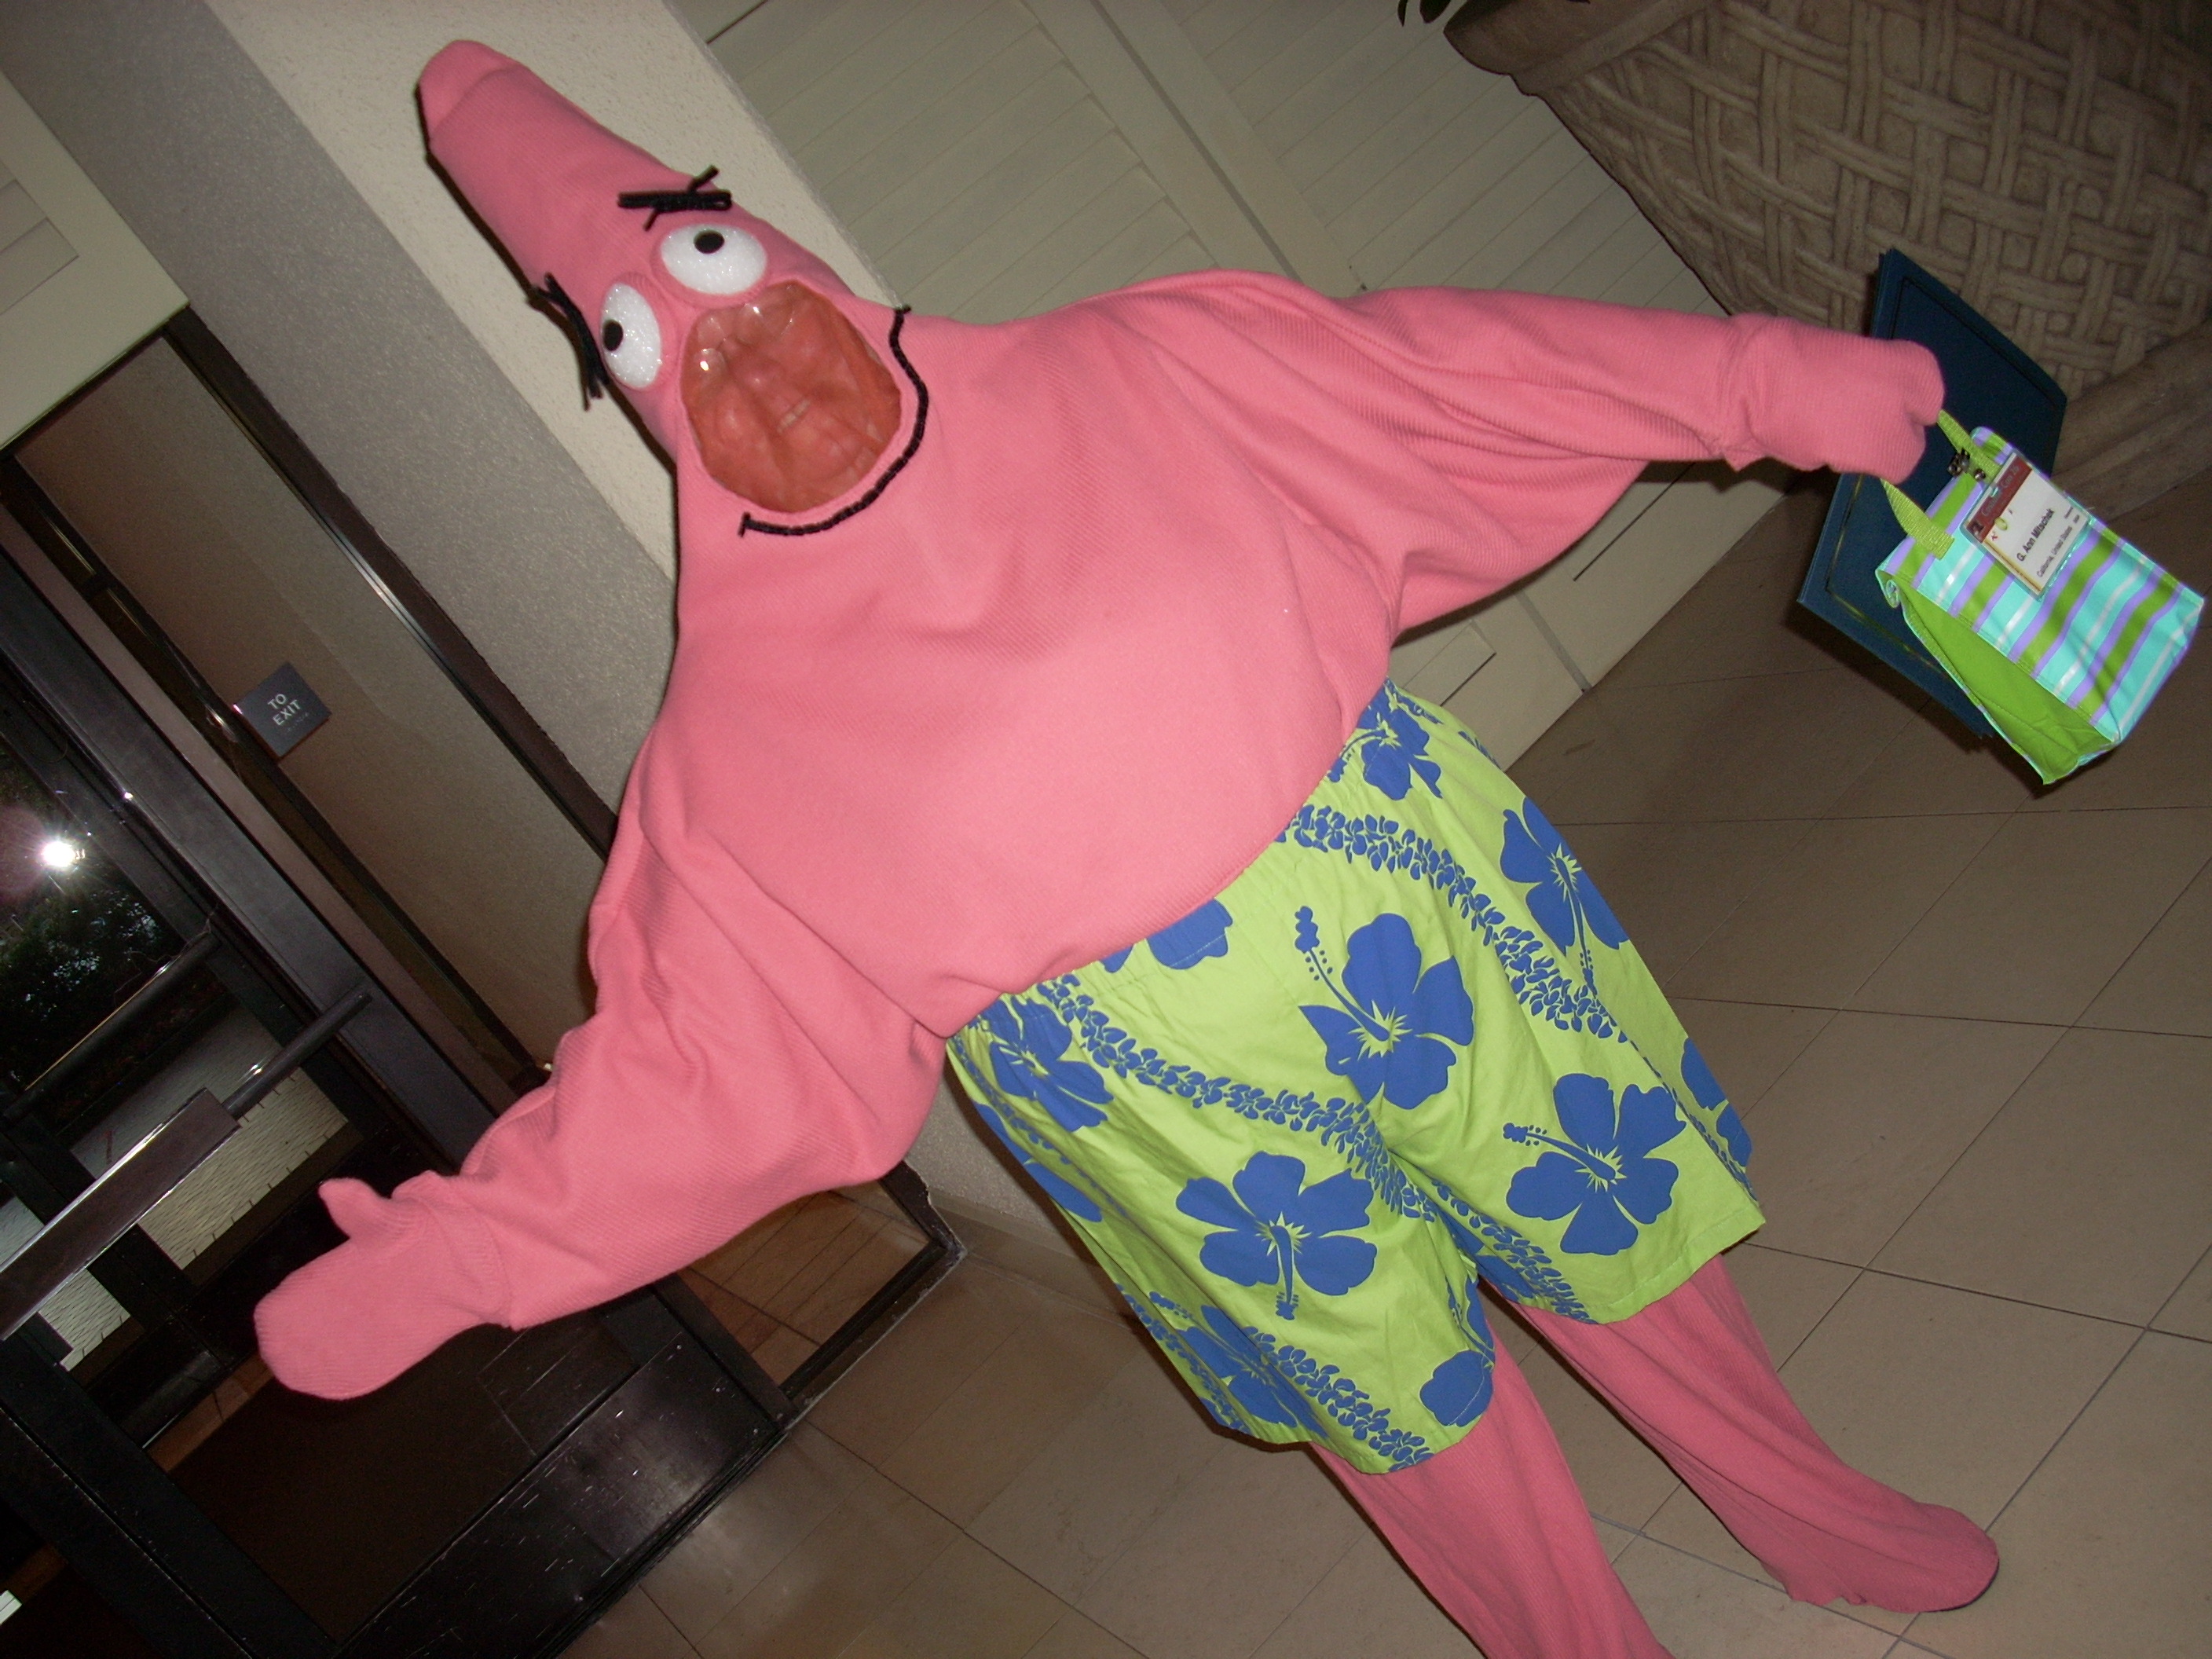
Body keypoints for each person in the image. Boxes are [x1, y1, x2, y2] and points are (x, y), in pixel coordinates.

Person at [255, 42, 1995, 1657]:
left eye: (734, 289)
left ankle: (1809, 1510)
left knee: (1604, 1211)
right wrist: (460, 1253)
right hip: (1144, 1091)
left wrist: (1765, 383)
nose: (760, 377)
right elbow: (692, 1059)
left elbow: (1444, 367)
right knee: (1387, 1384)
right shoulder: (722, 750)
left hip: (1407, 892)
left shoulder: (1137, 363)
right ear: (637, 396)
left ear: (778, 254)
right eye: (670, 353)